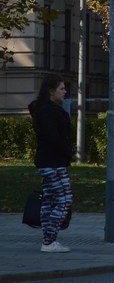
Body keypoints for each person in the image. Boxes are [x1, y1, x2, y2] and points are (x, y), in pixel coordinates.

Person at [29, 74, 73, 253]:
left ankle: (48, 241)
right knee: (64, 199)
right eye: (61, 88)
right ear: (50, 91)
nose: (65, 92)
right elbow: (53, 137)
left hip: (49, 161)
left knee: (49, 200)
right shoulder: (48, 112)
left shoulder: (45, 110)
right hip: (52, 162)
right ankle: (49, 240)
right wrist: (67, 152)